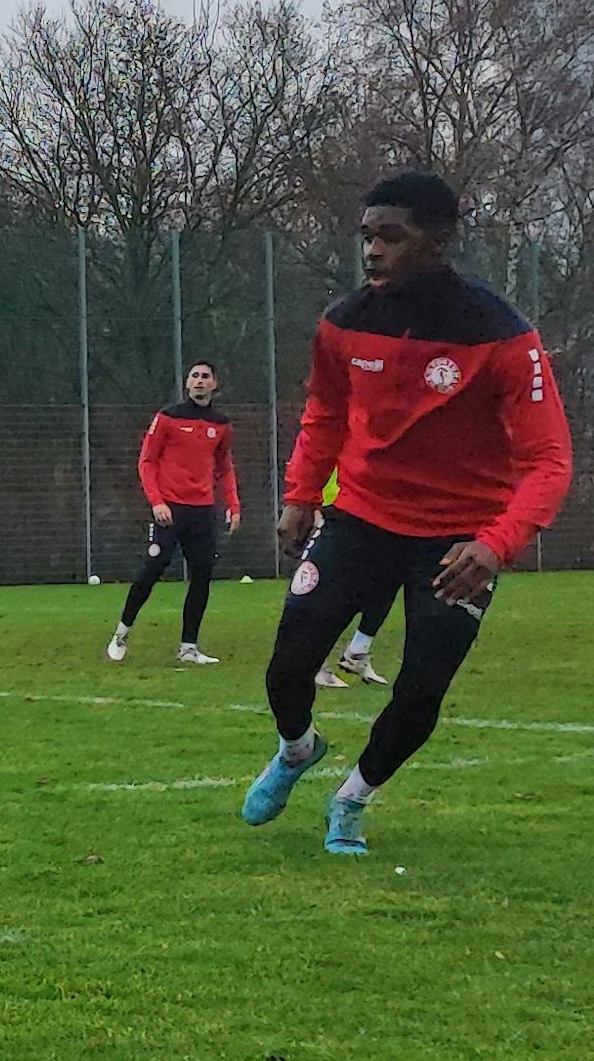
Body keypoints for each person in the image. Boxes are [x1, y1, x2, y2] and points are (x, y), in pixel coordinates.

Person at [241, 171, 572, 855]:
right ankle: (298, 749)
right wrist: (303, 493)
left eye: (391, 237)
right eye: (367, 236)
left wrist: (498, 542)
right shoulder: (343, 323)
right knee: (285, 665)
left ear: (439, 240)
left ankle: (351, 799)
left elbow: (549, 460)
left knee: (420, 690)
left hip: (458, 541)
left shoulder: (503, 336)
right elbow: (325, 414)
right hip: (361, 519)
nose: (373, 252)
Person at [105, 361, 241, 665]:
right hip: (169, 510)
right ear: (187, 383)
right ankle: (121, 632)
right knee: (152, 570)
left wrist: (233, 505)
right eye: (195, 376)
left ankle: (188, 647)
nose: (200, 381)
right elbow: (147, 461)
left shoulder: (221, 424)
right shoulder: (168, 417)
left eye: (206, 377)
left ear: (215, 384)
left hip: (203, 512)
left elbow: (225, 467)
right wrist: (157, 501)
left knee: (202, 575)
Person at [314, 472, 395, 690]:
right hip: (335, 508)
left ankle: (358, 652)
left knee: (388, 578)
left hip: (368, 506)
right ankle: (315, 662)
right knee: (326, 587)